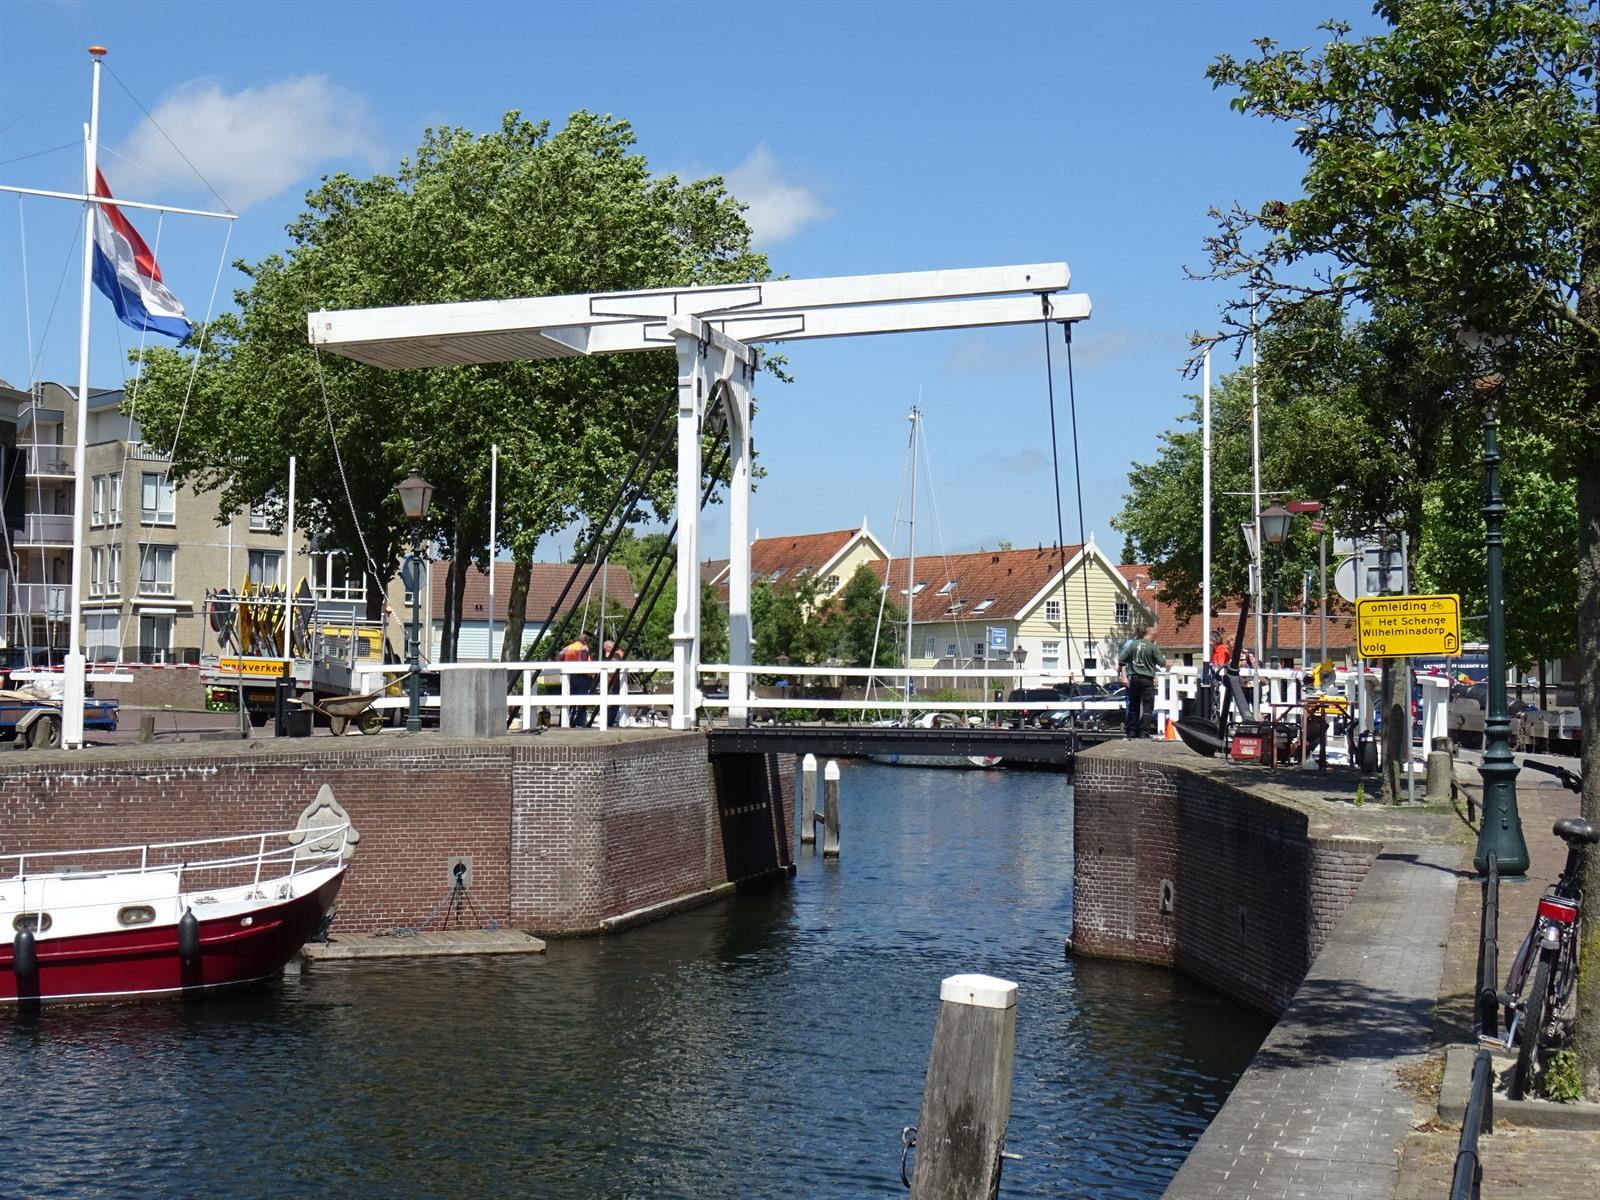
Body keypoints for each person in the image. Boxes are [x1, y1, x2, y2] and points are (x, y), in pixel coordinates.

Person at [1117, 623, 1165, 739]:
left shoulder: (1133, 645)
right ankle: (1144, 732)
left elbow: (1122, 659)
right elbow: (1161, 663)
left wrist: (1123, 673)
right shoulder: (1152, 647)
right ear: (1152, 636)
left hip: (1134, 678)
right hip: (1147, 679)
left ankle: (1132, 731)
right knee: (1147, 706)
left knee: (1134, 705)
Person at [557, 632, 594, 727]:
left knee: (567, 700)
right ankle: (580, 722)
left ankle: (563, 721)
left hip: (569, 676)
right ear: (585, 641)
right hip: (581, 676)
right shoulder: (583, 648)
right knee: (582, 701)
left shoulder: (568, 648)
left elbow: (558, 659)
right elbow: (584, 660)